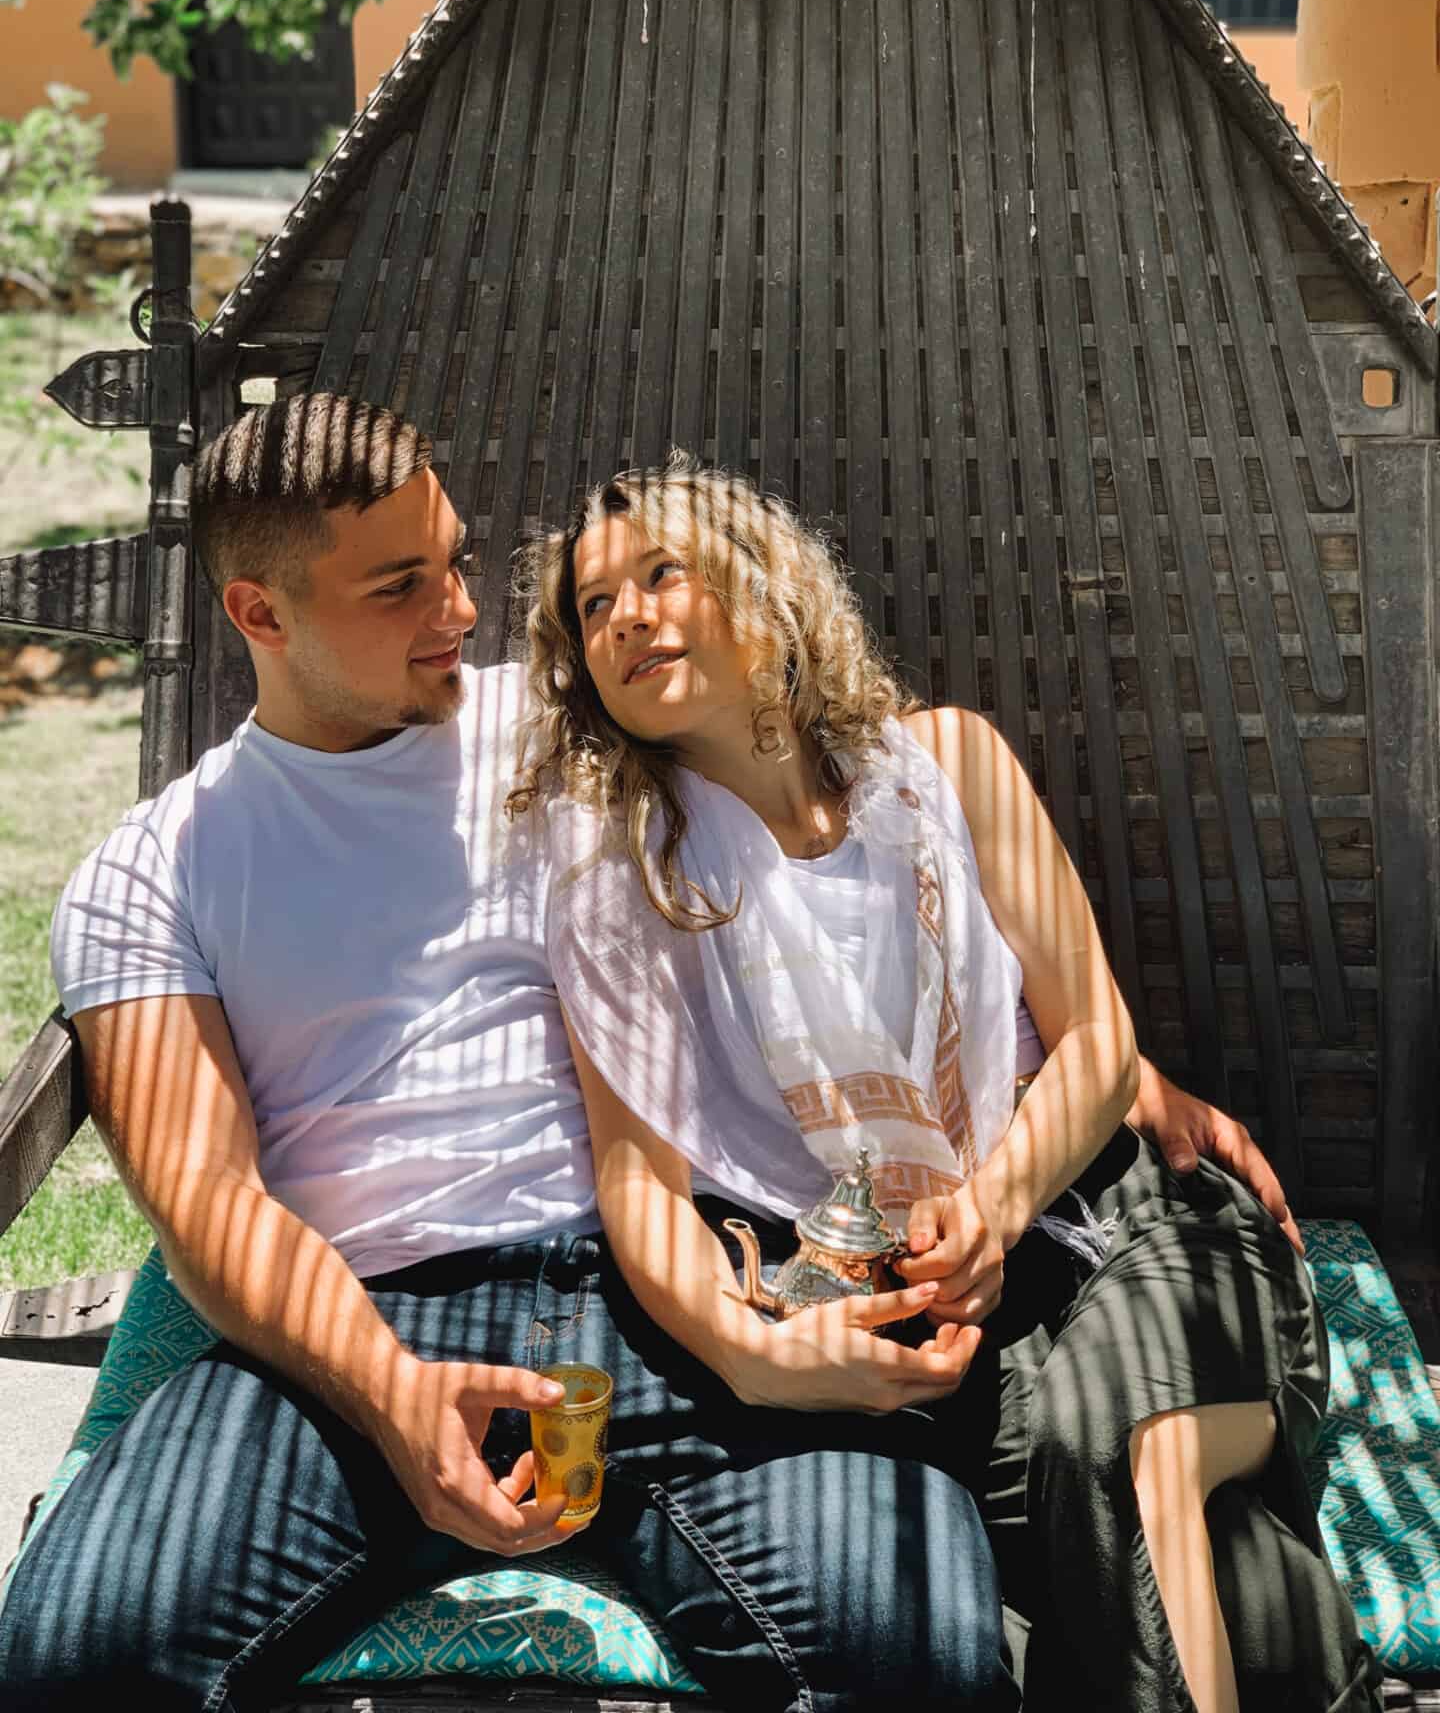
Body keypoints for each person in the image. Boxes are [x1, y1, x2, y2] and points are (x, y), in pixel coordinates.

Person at [0, 391, 1310, 1713]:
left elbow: (858, 860)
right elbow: (208, 1196)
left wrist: (1092, 1058)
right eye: (400, 587)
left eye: (456, 562)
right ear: (259, 616)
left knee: (910, 1647)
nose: (459, 613)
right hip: (369, 1314)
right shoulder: (152, 872)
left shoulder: (584, 724)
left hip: (689, 1284)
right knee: (73, 1652)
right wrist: (388, 1395)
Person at [516, 457, 1381, 1713]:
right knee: (1100, 1548)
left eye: (662, 574)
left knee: (1110, 1451)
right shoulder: (626, 894)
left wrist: (999, 1202)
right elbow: (636, 1186)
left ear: (761, 591)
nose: (627, 616)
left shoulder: (950, 767)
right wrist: (755, 1354)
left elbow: (1095, 1040)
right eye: (593, 608)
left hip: (1121, 1220)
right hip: (915, 1313)